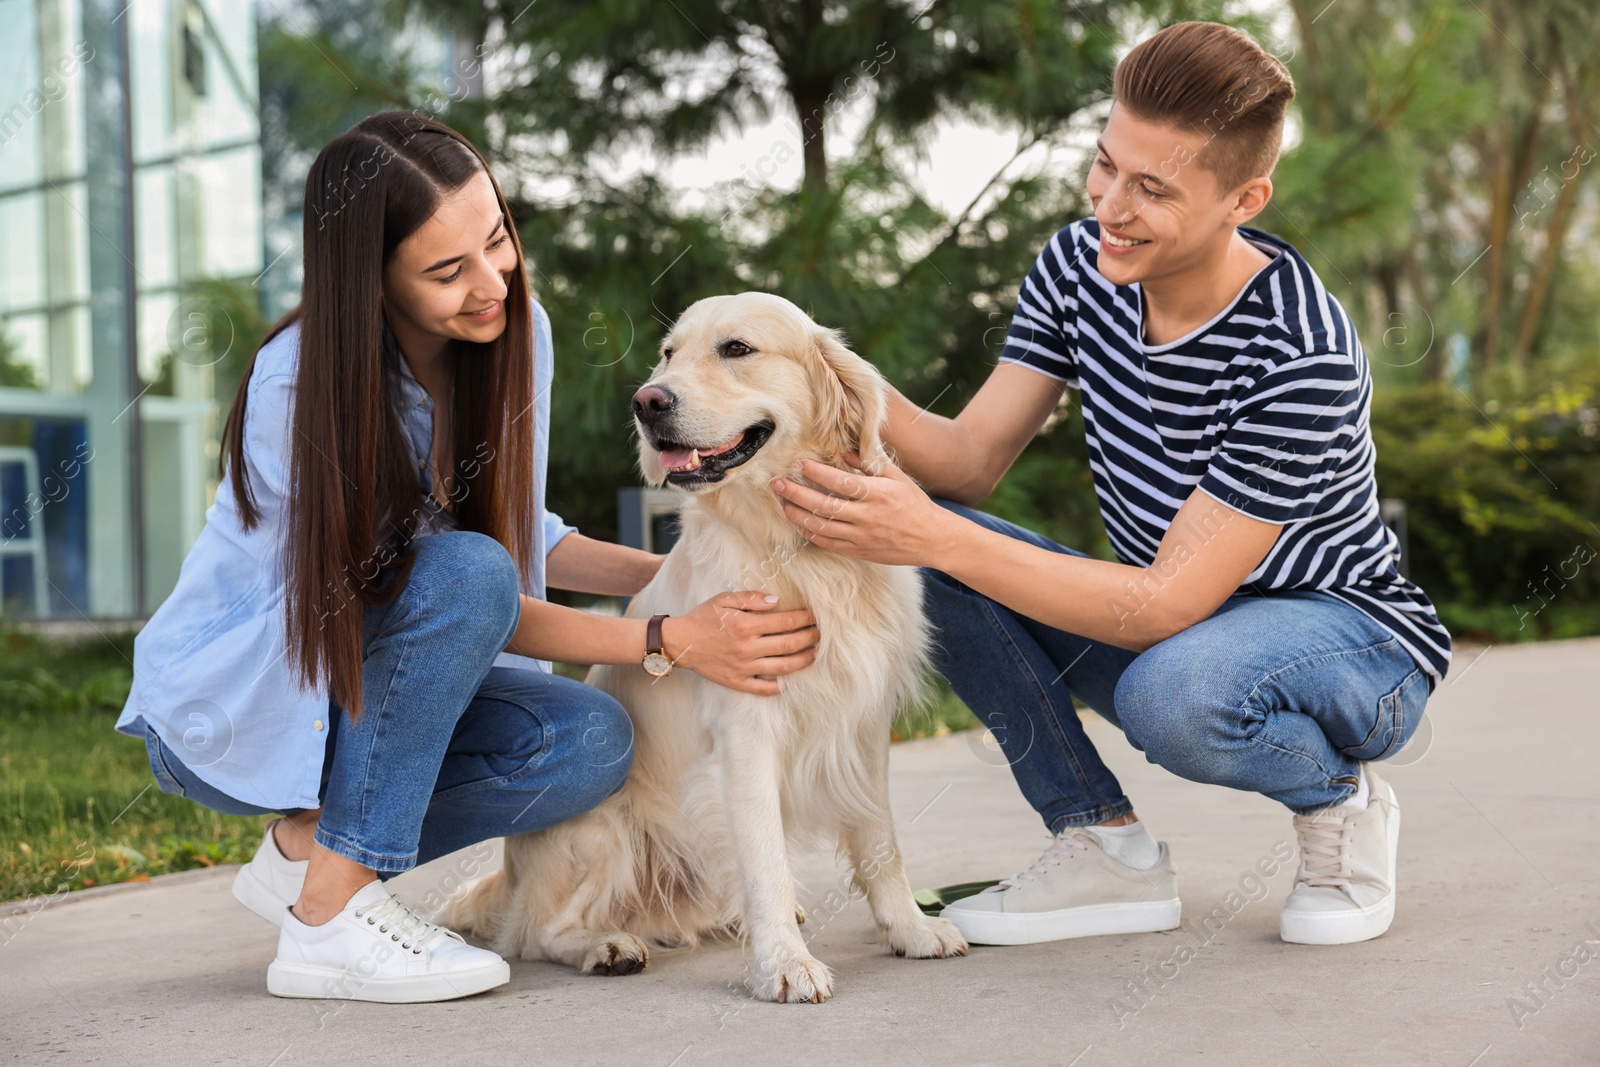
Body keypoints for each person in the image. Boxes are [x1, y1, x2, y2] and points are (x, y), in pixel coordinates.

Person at [769, 21, 1450, 948]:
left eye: (1152, 188)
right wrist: (816, 359)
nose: (1110, 206)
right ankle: (1100, 843)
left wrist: (927, 531)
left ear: (1243, 199)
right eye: (1105, 166)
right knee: (925, 558)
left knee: (1167, 689)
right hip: (1186, 623)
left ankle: (1341, 796)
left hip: (1351, 643)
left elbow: (1168, 602)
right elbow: (966, 462)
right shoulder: (1078, 267)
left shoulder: (1301, 354)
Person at [114, 112, 820, 1002]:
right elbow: (445, 587)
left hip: (389, 678)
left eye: (497, 240)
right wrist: (671, 636)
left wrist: (683, 583)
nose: (491, 283)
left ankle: (309, 849)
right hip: (251, 702)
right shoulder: (300, 385)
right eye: (449, 272)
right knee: (470, 576)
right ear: (369, 282)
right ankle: (329, 921)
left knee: (591, 741)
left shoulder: (515, 334)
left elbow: (528, 539)